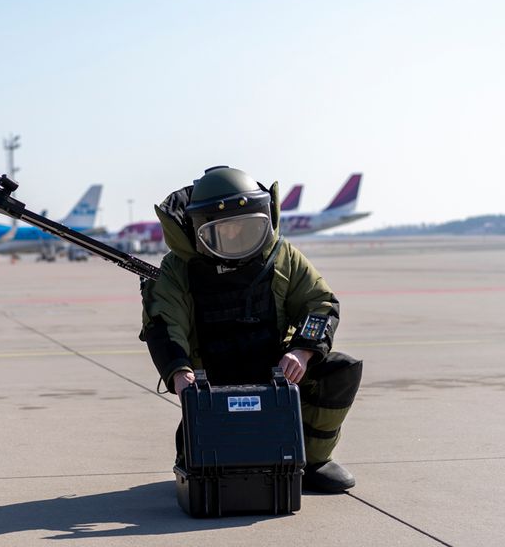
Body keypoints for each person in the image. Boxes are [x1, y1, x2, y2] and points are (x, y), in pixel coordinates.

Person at [140, 166, 363, 493]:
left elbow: (320, 303)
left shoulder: (283, 256)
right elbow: (163, 322)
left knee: (339, 370)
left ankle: (313, 460)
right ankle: (203, 452)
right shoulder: (177, 269)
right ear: (199, 230)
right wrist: (179, 373)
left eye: (246, 228)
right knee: (204, 463)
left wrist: (302, 351)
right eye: (222, 231)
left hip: (276, 373)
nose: (234, 237)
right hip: (211, 385)